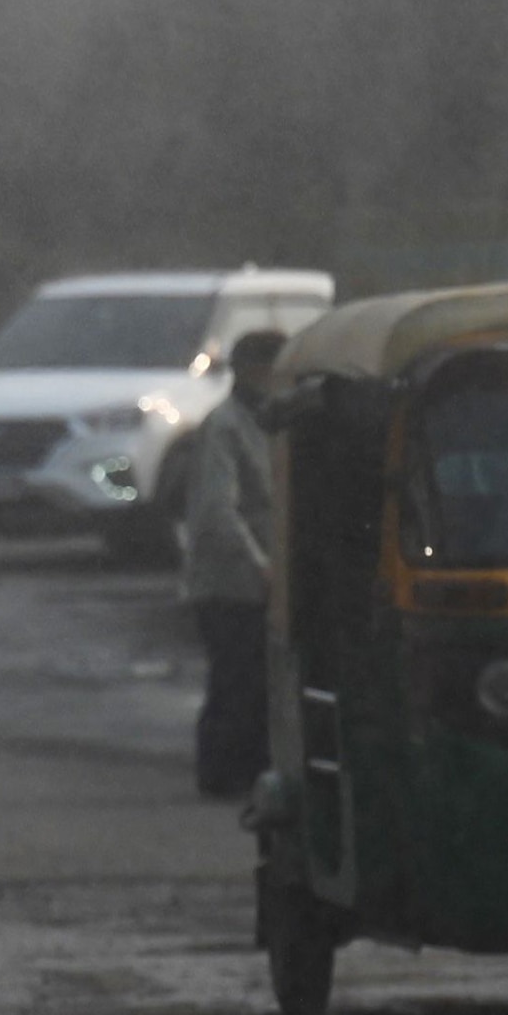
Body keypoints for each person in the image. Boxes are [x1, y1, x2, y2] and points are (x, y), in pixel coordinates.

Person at [177, 324, 288, 801]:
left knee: (260, 683)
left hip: (264, 582)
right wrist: (261, 564)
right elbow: (217, 511)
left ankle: (249, 771)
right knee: (234, 682)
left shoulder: (273, 422)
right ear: (255, 372)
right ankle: (222, 776)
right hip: (228, 584)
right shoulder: (225, 426)